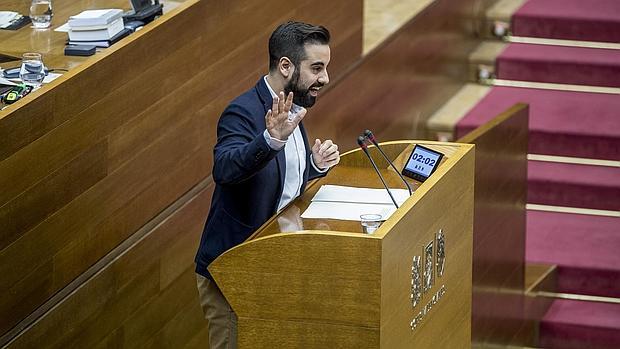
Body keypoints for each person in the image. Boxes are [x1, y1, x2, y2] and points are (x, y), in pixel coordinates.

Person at [194, 21, 340, 349]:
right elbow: (226, 168)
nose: (325, 78)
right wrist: (270, 139)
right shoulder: (243, 112)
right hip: (233, 271)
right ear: (285, 65)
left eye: (326, 67)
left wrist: (314, 166)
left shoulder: (292, 105)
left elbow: (282, 187)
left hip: (273, 264)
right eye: (317, 68)